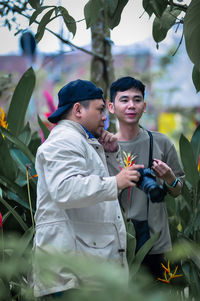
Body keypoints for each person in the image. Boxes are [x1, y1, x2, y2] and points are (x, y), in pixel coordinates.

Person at [33, 79, 144, 298]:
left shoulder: (81, 140)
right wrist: (116, 182)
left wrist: (111, 153)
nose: (105, 117)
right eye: (100, 109)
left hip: (85, 269)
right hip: (73, 274)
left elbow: (96, 190)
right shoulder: (64, 141)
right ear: (77, 110)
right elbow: (65, 189)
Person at [108, 76, 185, 279]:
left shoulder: (161, 143)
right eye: (124, 100)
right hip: (116, 245)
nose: (131, 105)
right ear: (111, 107)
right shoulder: (103, 148)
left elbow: (178, 190)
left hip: (156, 243)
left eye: (137, 99)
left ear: (145, 106)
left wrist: (169, 178)